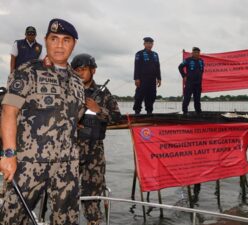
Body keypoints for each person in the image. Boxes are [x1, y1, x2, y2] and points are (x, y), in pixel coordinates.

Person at [0, 18, 85, 225]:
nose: (59, 45)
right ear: (46, 40)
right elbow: (9, 112)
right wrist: (9, 154)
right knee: (13, 218)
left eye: (66, 40)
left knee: (67, 219)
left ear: (73, 44)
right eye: (54, 38)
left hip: (67, 165)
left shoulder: (77, 81)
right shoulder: (28, 72)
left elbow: (77, 117)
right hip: (29, 163)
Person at [71, 53, 121, 225]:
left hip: (95, 153)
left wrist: (98, 109)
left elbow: (117, 117)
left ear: (93, 70)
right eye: (76, 70)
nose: (80, 73)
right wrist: (71, 123)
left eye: (83, 69)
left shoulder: (103, 93)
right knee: (65, 196)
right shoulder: (67, 91)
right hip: (70, 151)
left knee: (92, 198)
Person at [133, 37, 161, 115]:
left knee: (152, 96)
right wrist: (136, 78)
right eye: (147, 43)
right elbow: (137, 66)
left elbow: (157, 66)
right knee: (139, 96)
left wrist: (159, 78)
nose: (149, 45)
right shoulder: (139, 53)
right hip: (142, 79)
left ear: (152, 44)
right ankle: (137, 111)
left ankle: (149, 111)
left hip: (152, 79)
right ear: (144, 44)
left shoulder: (155, 54)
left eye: (151, 43)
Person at [179, 47, 204, 115]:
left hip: (198, 83)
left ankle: (198, 111)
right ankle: (185, 111)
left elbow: (202, 70)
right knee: (187, 97)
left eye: (198, 52)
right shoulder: (187, 60)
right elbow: (180, 67)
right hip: (189, 82)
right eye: (195, 52)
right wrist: (184, 76)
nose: (197, 54)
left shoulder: (201, 61)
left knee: (197, 98)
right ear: (192, 53)